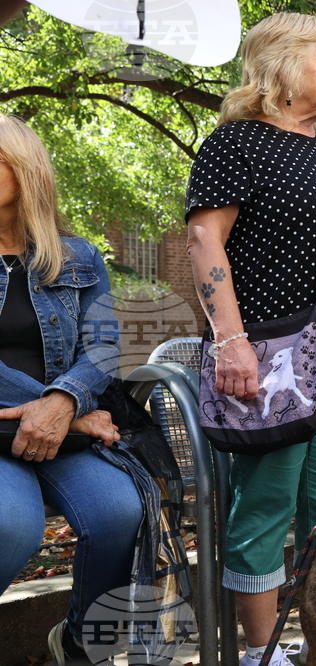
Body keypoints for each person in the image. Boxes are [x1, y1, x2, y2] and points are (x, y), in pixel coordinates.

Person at [184, 14, 316, 665]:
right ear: (283, 64)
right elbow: (203, 240)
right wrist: (231, 343)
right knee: (266, 504)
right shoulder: (236, 144)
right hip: (271, 360)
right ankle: (259, 654)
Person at [0, 114, 139, 664]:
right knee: (11, 526)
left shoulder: (75, 256)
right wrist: (67, 409)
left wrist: (64, 402)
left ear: (25, 169)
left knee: (118, 512)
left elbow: (105, 345)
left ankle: (80, 644)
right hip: (9, 431)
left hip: (64, 431)